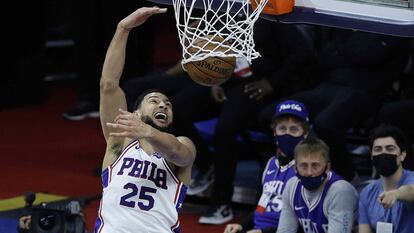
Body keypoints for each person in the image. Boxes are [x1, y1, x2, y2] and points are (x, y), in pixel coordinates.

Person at [171, 19, 317, 224]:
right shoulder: (226, 13)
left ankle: (221, 202)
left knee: (225, 128)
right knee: (174, 110)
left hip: (258, 86)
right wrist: (217, 78)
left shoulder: (270, 16)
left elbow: (302, 53)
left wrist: (272, 82)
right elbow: (219, 51)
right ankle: (207, 165)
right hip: (227, 81)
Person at [258, 28, 412, 182]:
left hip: (365, 91)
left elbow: (370, 56)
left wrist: (344, 50)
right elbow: (325, 57)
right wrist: (352, 51)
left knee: (325, 123)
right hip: (328, 86)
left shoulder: (396, 25)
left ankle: (348, 177)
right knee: (271, 114)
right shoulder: (351, 20)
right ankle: (282, 174)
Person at [94, 7, 196, 233]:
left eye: (167, 104)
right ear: (136, 113)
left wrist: (147, 132)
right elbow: (108, 85)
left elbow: (179, 153)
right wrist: (123, 28)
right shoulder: (119, 143)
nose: (163, 105)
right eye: (154, 101)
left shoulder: (182, 144)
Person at [223, 100, 311, 233]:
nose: (287, 134)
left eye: (294, 129)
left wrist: (264, 232)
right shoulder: (270, 164)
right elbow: (261, 208)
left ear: (305, 134)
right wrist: (242, 225)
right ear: (274, 132)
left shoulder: (311, 169)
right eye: (282, 128)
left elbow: (306, 223)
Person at [276, 138, 358, 233]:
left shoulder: (340, 190)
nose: (309, 172)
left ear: (327, 168)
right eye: (304, 166)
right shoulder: (292, 186)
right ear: (295, 168)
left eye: (315, 166)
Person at [358, 124, 414, 233]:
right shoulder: (367, 192)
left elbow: (412, 191)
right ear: (372, 155)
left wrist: (396, 194)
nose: (383, 153)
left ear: (402, 155)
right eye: (378, 149)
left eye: (390, 148)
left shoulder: (411, 178)